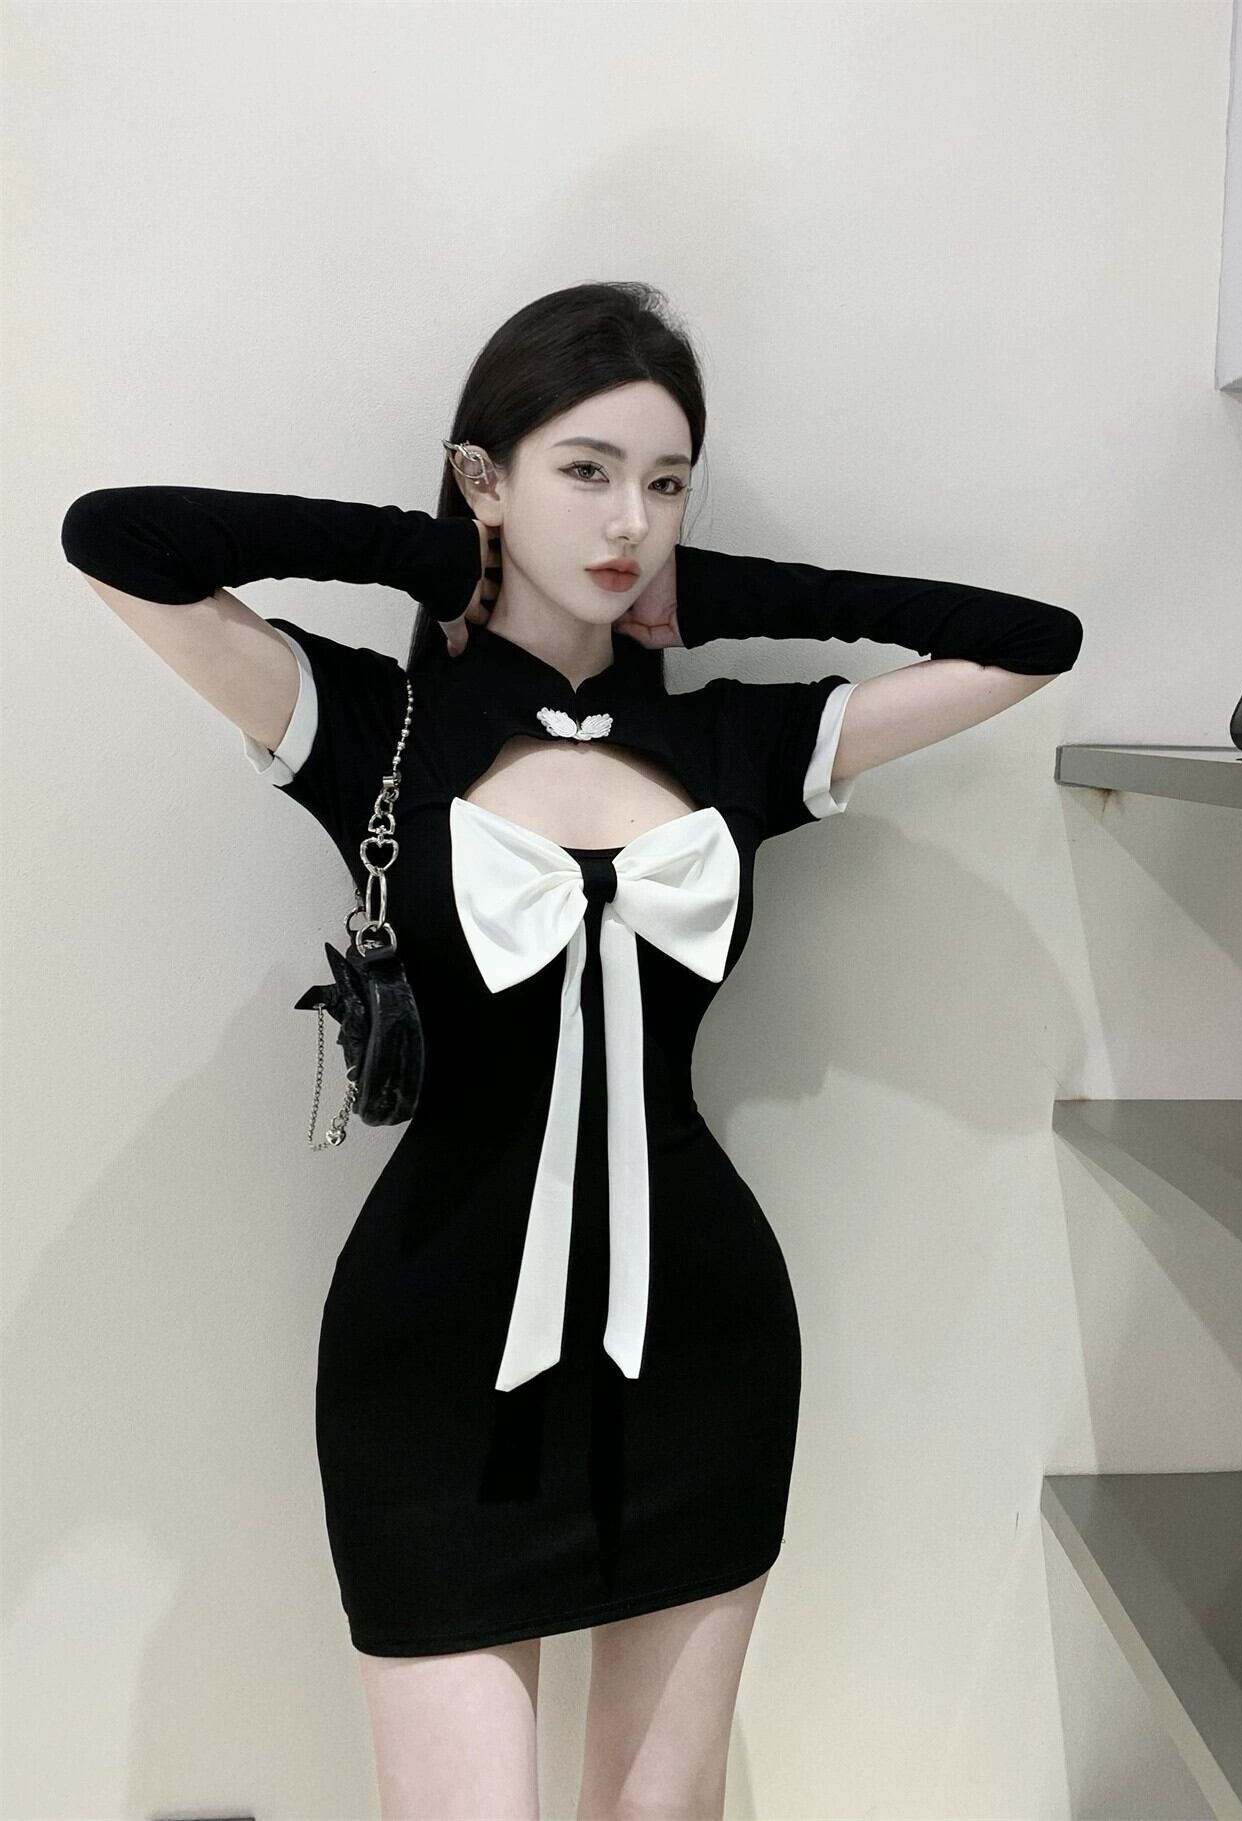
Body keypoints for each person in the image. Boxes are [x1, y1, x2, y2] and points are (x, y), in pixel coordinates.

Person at [59, 280, 1082, 1821]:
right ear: (487, 480)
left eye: (666, 484)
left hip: (703, 1360)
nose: (629, 521)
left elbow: (1030, 644)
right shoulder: (376, 727)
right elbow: (115, 538)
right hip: (431, 1370)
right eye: (586, 471)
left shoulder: (732, 744)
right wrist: (430, 557)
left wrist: (717, 593)